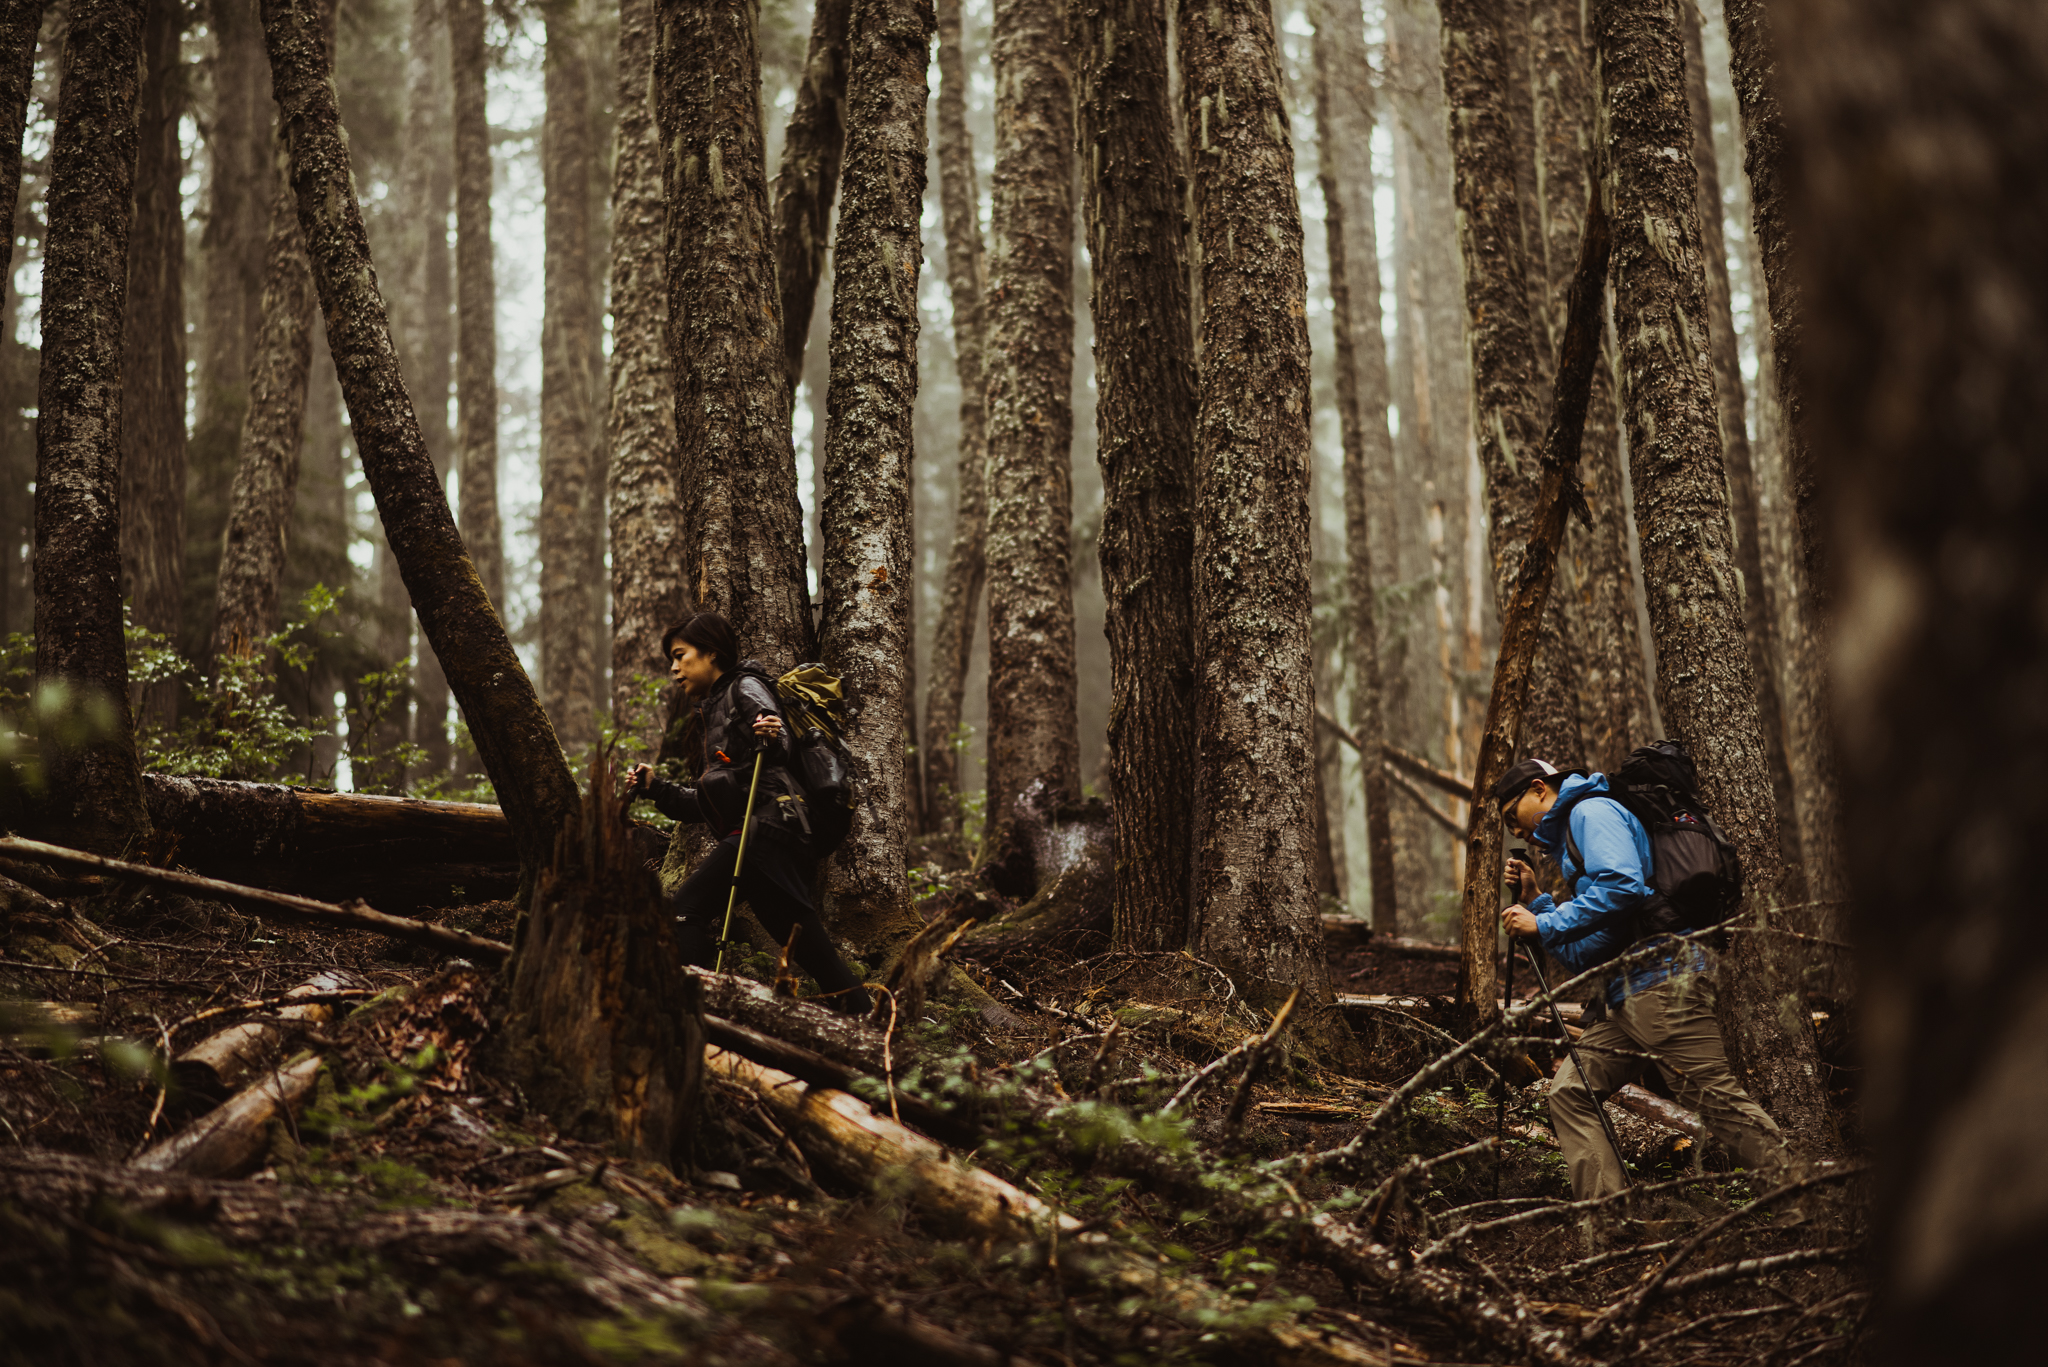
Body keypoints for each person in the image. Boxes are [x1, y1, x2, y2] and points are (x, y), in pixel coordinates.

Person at [1494, 757, 1793, 1200]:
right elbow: (1587, 953)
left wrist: (1544, 926)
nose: (1513, 831)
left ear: (1539, 789)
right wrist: (1539, 905)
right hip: (1626, 994)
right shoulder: (1572, 839)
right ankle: (1609, 1217)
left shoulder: (1588, 812)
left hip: (1663, 981)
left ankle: (1804, 1198)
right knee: (1571, 1092)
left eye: (1509, 816)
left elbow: (1622, 885)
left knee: (1714, 1098)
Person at [627, 611, 871, 1016]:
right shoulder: (715, 709)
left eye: (680, 655)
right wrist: (657, 790)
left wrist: (771, 735)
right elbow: (710, 801)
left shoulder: (745, 687)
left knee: (683, 911)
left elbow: (777, 745)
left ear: (711, 653)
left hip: (766, 834)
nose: (673, 668)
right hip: (773, 838)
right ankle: (873, 1028)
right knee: (814, 952)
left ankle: (690, 1016)